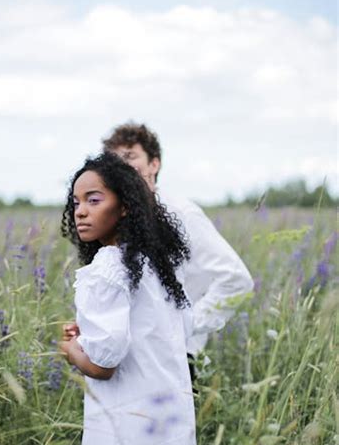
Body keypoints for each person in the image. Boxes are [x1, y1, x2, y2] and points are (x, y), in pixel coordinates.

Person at [57, 152, 208, 445]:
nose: (81, 212)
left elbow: (104, 365)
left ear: (124, 207)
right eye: (76, 202)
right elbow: (152, 334)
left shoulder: (106, 268)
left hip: (128, 420)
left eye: (94, 200)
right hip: (167, 417)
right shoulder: (155, 265)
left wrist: (73, 349)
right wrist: (89, 336)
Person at [102, 122, 254, 371]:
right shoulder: (117, 218)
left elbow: (237, 280)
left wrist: (186, 324)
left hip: (175, 359)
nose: (121, 165)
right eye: (114, 159)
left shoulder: (181, 213)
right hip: (131, 360)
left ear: (154, 163)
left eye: (130, 156)